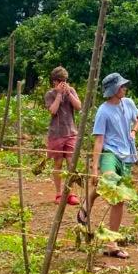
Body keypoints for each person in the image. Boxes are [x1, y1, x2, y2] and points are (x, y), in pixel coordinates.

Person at [78, 72, 138, 259]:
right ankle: (111, 242)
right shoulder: (103, 111)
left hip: (127, 155)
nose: (125, 88)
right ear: (114, 90)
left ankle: (111, 242)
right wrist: (94, 168)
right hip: (109, 153)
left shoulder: (128, 103)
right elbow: (99, 140)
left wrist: (134, 131)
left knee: (118, 198)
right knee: (110, 186)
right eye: (122, 86)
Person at [44, 66, 82, 205]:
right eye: (60, 80)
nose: (63, 83)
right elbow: (53, 111)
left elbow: (78, 106)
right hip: (56, 134)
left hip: (71, 132)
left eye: (65, 80)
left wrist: (69, 93)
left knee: (71, 164)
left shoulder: (71, 91)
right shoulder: (50, 94)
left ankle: (70, 193)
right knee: (58, 163)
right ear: (54, 81)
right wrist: (59, 95)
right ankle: (59, 194)